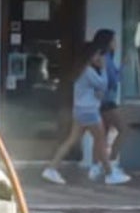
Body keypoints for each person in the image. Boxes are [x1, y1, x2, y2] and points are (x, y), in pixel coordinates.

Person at [41, 43, 130, 186]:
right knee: (100, 142)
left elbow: (97, 91)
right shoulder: (89, 71)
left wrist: (97, 92)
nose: (100, 58)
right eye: (97, 55)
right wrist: (104, 69)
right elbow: (103, 85)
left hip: (80, 110)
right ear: (89, 56)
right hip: (90, 112)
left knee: (72, 140)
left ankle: (52, 168)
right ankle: (110, 174)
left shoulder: (81, 70)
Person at [80, 29, 131, 182]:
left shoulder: (102, 56)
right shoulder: (106, 57)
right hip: (107, 101)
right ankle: (112, 163)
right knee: (123, 129)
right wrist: (123, 66)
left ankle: (95, 167)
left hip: (101, 102)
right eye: (114, 40)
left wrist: (120, 66)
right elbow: (113, 80)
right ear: (108, 42)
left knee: (102, 136)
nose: (116, 43)